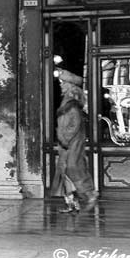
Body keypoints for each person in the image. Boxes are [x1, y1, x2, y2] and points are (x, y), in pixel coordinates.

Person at [51, 69, 98, 213]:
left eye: (64, 83)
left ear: (71, 86)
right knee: (65, 171)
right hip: (66, 143)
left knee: (74, 168)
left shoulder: (72, 105)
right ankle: (71, 203)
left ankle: (90, 194)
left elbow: (74, 125)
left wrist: (65, 138)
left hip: (71, 143)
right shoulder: (68, 103)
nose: (61, 86)